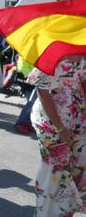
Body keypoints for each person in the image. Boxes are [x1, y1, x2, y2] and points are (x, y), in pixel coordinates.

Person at [27, 56, 85, 217]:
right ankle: (43, 213)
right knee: (54, 170)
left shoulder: (82, 51)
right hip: (50, 121)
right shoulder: (52, 51)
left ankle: (64, 212)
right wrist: (60, 127)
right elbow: (42, 90)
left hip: (77, 119)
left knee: (74, 170)